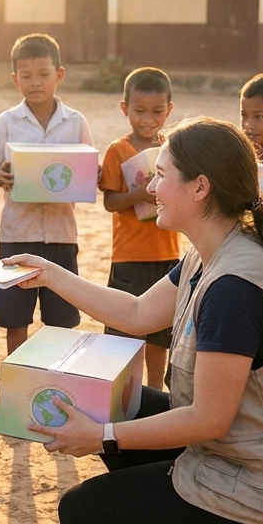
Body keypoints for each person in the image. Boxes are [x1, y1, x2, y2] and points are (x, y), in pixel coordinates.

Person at [6, 117, 263, 524]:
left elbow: (209, 420)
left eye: (162, 175)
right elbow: (137, 313)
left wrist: (101, 436)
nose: (151, 186)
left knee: (83, 518)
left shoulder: (234, 287)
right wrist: (50, 275)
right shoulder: (211, 253)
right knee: (125, 400)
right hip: (246, 456)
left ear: (200, 187)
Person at [0, 33, 94, 354]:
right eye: (26, 76)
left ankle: (54, 377)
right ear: (14, 79)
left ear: (59, 75)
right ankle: (17, 375)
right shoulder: (6, 122)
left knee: (60, 319)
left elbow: (89, 170)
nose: (35, 82)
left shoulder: (76, 122)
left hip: (62, 235)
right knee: (15, 317)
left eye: (44, 74)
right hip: (18, 233)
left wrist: (89, 175)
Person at [99, 67, 183, 390]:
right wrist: (141, 192)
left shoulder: (174, 149)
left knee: (160, 337)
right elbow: (110, 202)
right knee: (125, 337)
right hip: (129, 257)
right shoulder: (117, 151)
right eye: (139, 111)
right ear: (125, 109)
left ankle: (154, 394)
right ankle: (126, 396)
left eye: (157, 111)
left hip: (167, 255)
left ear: (169, 110)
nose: (148, 119)